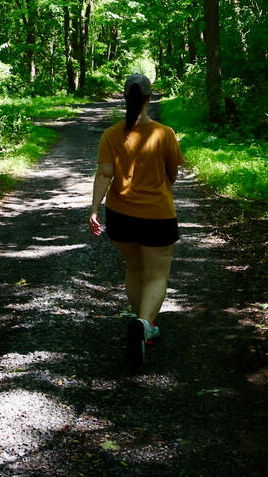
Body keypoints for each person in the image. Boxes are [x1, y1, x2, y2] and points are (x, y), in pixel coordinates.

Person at [87, 73, 183, 369]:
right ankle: (145, 324)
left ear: (124, 98)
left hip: (120, 215)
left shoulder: (111, 135)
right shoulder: (165, 133)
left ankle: (142, 323)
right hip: (158, 215)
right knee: (156, 275)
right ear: (148, 98)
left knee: (134, 267)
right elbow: (172, 174)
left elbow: (104, 174)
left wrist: (93, 209)